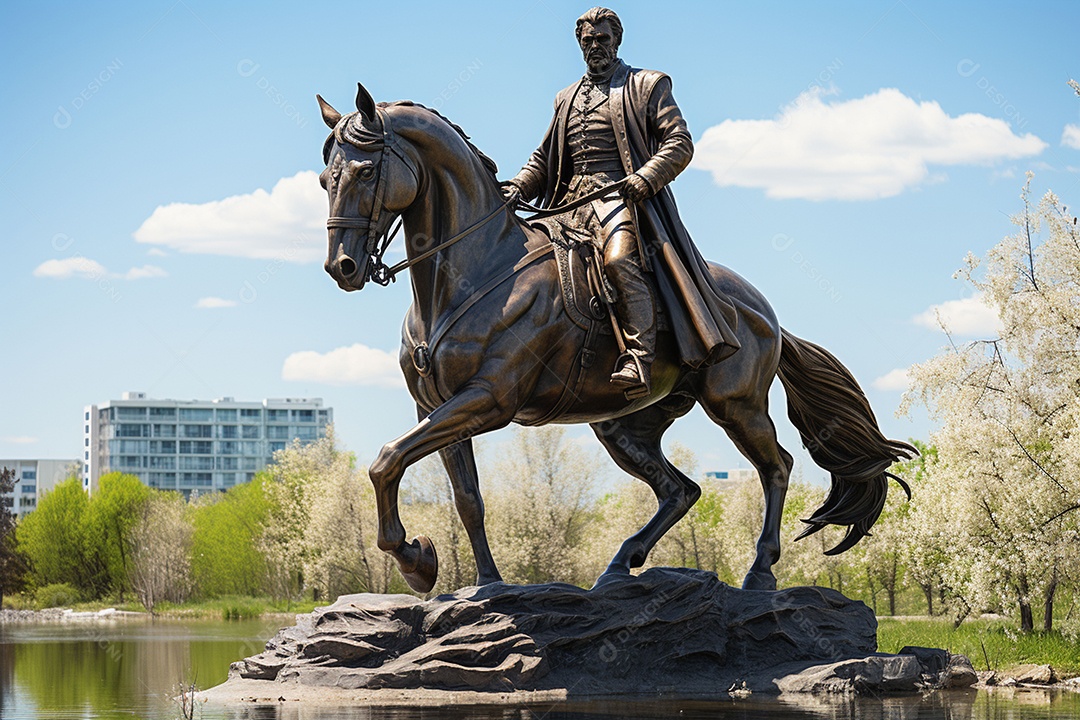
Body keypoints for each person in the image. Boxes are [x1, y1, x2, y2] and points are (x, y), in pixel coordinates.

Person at [504, 7, 740, 394]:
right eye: (587, 41)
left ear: (617, 40)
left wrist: (647, 177)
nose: (594, 46)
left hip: (619, 200)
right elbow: (544, 161)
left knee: (617, 260)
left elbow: (679, 142)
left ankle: (639, 356)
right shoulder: (565, 98)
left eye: (602, 39)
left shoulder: (647, 85)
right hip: (565, 209)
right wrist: (517, 186)